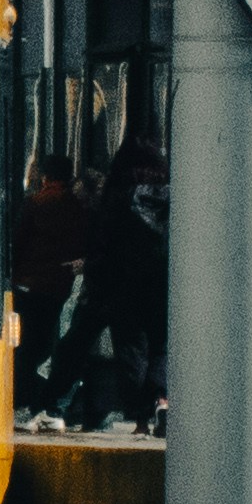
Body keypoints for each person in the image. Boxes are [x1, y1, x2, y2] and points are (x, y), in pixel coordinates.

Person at [60, 138, 169, 432]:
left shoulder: (118, 196)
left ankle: (143, 418)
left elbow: (104, 245)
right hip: (164, 286)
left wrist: (97, 283)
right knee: (162, 347)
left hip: (125, 287)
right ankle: (162, 399)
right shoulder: (174, 194)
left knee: (131, 351)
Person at [11, 156, 86, 411]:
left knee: (25, 342)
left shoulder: (35, 203)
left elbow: (19, 242)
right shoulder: (76, 206)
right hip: (58, 285)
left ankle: (24, 392)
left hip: (29, 282)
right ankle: (35, 392)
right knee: (44, 337)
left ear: (45, 176)